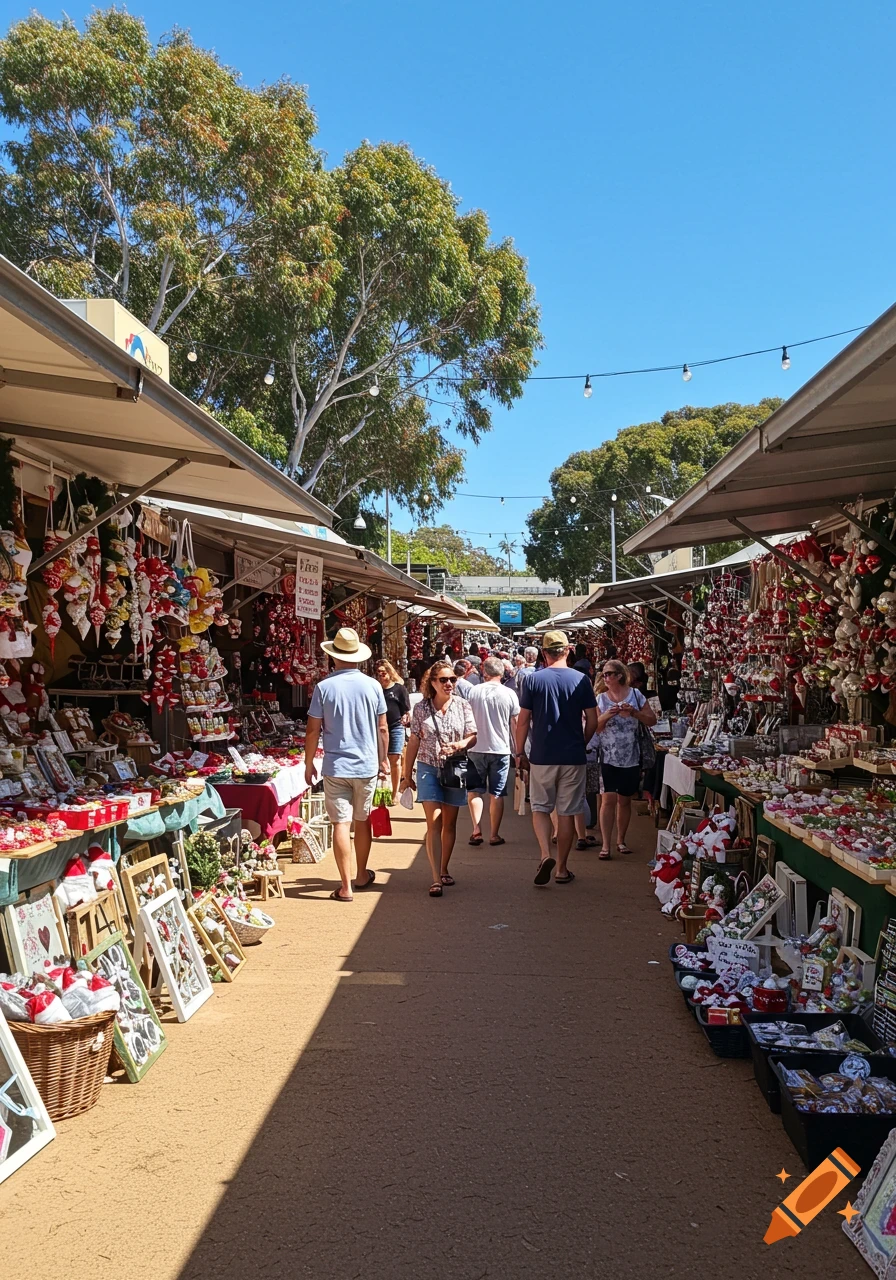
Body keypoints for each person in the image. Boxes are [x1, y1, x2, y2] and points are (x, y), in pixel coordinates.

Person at [305, 628, 388, 902]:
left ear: (333, 657)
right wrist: (384, 758)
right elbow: (383, 728)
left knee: (340, 823)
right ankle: (361, 874)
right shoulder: (374, 685)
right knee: (362, 821)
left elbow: (312, 730)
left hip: (336, 765)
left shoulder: (324, 687)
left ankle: (345, 886)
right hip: (366, 765)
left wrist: (308, 763)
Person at [514, 630, 598, 887]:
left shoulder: (533, 680)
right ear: (568, 650)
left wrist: (519, 752)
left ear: (544, 653)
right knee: (568, 811)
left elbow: (523, 720)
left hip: (542, 755)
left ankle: (544, 854)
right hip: (573, 755)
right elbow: (593, 720)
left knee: (540, 807)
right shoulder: (581, 680)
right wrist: (581, 743)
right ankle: (561, 868)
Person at [402, 660, 477, 897]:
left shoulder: (463, 705)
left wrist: (460, 744)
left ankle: (444, 867)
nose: (449, 684)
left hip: (454, 767)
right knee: (433, 822)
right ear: (432, 682)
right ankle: (435, 877)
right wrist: (406, 775)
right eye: (443, 680)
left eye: (452, 679)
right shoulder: (421, 708)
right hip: (427, 768)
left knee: (449, 823)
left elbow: (472, 735)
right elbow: (414, 740)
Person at [594, 658, 658, 858]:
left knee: (624, 800)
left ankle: (621, 840)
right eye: (603, 674)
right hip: (607, 756)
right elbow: (595, 726)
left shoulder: (636, 695)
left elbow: (652, 720)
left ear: (619, 675)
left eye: (608, 674)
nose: (605, 677)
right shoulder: (601, 699)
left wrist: (634, 713)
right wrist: (609, 714)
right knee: (608, 799)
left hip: (631, 756)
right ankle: (606, 845)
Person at [466, 656, 519, 847]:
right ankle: (494, 834)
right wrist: (518, 751)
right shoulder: (509, 694)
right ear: (502, 673)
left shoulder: (473, 692)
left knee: (474, 792)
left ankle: (476, 829)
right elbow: (515, 723)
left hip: (474, 748)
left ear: (484, 672)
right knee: (496, 793)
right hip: (500, 749)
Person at [374, 659, 411, 800]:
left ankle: (394, 793)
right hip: (378, 727)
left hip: (395, 726)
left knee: (394, 758)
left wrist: (406, 718)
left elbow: (406, 708)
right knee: (378, 759)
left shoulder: (399, 688)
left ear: (389, 673)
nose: (381, 676)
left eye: (383, 673)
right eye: (378, 673)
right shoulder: (375, 689)